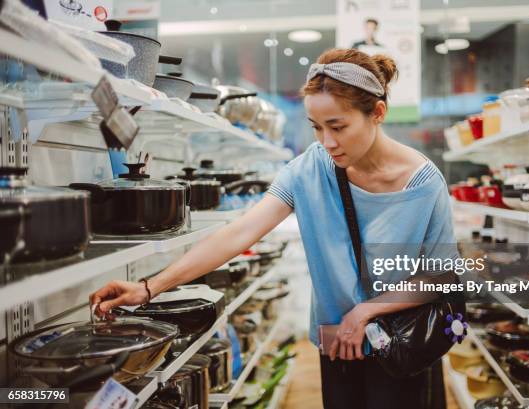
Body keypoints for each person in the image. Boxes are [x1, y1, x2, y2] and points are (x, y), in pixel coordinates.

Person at [90, 48, 457, 409]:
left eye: (338, 127)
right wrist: (148, 288)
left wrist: (365, 311)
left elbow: (441, 276)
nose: (327, 142)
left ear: (377, 113)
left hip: (401, 342)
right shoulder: (308, 170)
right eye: (316, 127)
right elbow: (239, 233)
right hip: (338, 342)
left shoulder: (424, 183)